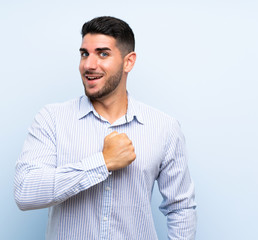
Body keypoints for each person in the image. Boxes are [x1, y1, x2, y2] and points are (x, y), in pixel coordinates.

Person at [14, 16, 197, 239]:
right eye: (84, 54)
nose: (89, 65)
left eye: (103, 53)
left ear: (128, 62)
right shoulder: (52, 119)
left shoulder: (164, 128)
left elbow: (181, 208)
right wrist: (102, 162)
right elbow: (25, 192)